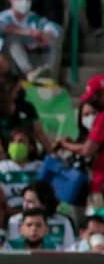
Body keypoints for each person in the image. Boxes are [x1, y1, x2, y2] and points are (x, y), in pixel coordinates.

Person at [0, 0, 62, 80]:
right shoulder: (3, 17)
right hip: (9, 63)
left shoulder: (35, 18)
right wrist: (28, 32)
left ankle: (48, 76)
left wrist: (46, 34)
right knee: (12, 38)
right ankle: (29, 73)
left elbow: (55, 28)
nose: (24, 1)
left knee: (53, 39)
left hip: (32, 57)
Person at [57, 75, 104, 204]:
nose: (94, 101)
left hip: (100, 183)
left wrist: (65, 144)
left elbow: (87, 150)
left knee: (95, 222)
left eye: (95, 97)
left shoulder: (102, 118)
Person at [5, 181, 76, 248]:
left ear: (44, 204)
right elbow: (14, 248)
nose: (25, 205)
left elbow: (70, 249)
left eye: (30, 202)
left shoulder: (63, 221)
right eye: (24, 200)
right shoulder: (15, 221)